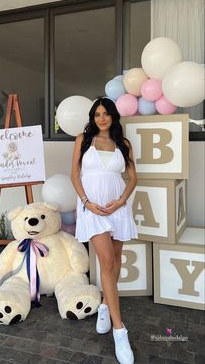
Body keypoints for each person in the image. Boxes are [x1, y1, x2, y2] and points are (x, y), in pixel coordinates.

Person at [71, 97, 138, 364]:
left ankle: (103, 306)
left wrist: (121, 201)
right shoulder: (83, 140)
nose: (102, 118)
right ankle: (120, 331)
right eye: (97, 114)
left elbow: (133, 177)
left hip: (117, 209)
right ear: (92, 117)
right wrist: (87, 203)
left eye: (106, 113)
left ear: (113, 117)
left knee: (115, 261)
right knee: (107, 262)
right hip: (93, 209)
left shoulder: (124, 144)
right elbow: (75, 175)